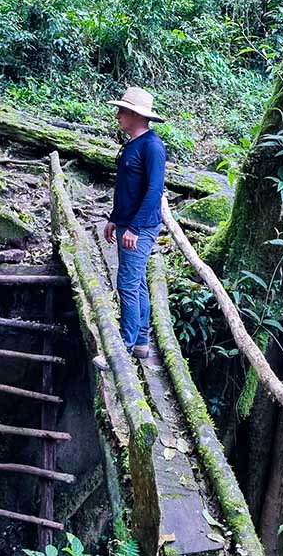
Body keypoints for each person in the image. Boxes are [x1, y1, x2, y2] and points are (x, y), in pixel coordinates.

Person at [103, 87, 166, 360]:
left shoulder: (152, 146)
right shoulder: (133, 145)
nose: (118, 115)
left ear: (136, 115)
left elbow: (154, 191)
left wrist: (135, 228)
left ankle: (122, 349)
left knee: (127, 284)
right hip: (126, 222)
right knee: (136, 282)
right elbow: (126, 188)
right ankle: (140, 341)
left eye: (122, 111)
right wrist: (114, 219)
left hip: (139, 227)